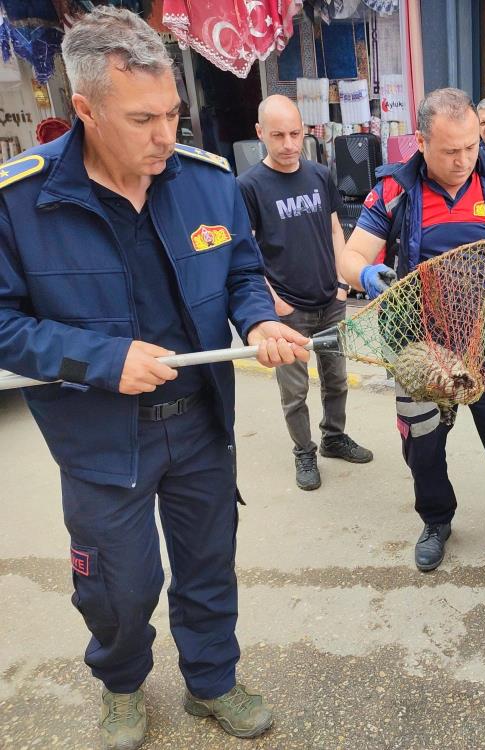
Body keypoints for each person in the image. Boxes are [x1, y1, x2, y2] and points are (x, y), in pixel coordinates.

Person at [0, 9, 310, 749]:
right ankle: (122, 683)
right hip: (101, 438)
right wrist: (104, 362)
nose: (167, 135)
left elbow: (239, 271)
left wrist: (258, 319)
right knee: (119, 585)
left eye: (172, 112)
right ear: (84, 110)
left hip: (200, 421)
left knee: (209, 566)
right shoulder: (21, 202)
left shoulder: (205, 182)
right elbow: (5, 325)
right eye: (142, 119)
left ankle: (212, 682)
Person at [337, 87, 485, 585]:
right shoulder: (394, 191)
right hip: (421, 349)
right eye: (451, 151)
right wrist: (366, 276)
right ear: (421, 142)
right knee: (422, 444)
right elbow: (351, 254)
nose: (465, 159)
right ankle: (436, 521)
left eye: (472, 147)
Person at [238, 95, 373, 492]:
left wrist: (343, 282)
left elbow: (335, 229)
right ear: (260, 133)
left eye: (295, 133)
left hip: (330, 301)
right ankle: (304, 452)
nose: (288, 144)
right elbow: (244, 250)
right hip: (286, 310)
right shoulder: (248, 187)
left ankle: (334, 437)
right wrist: (272, 301)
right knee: (294, 390)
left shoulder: (318, 174)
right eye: (277, 135)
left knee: (337, 378)